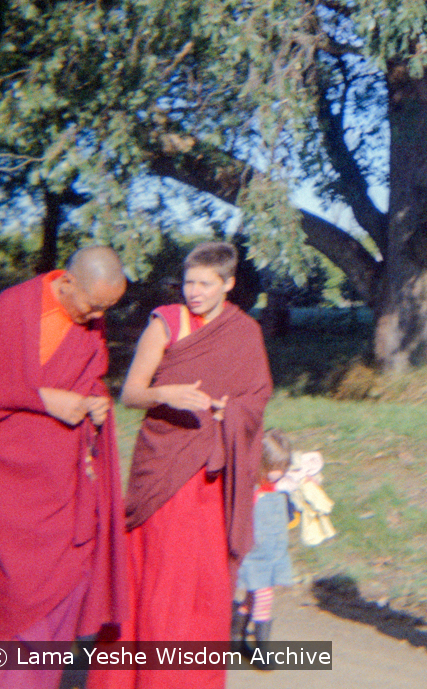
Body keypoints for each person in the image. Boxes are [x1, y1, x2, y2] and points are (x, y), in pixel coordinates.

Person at [99, 242, 272, 689]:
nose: (193, 292)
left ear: (228, 284)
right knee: (162, 572)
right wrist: (164, 394)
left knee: (203, 580)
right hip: (165, 468)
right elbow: (130, 393)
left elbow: (257, 400)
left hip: (212, 474)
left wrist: (230, 412)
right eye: (188, 282)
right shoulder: (166, 322)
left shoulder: (244, 332)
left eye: (204, 284)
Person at [0, 247, 129, 689]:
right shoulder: (14, 308)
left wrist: (95, 403)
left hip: (64, 480)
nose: (97, 317)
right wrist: (44, 400)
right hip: (12, 482)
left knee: (66, 578)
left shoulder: (89, 320)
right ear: (66, 282)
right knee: (16, 591)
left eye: (106, 308)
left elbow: (90, 377)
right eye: (93, 305)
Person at [232, 429, 295, 659]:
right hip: (255, 554)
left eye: (283, 467)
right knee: (264, 596)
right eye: (274, 467)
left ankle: (235, 636)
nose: (279, 473)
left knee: (253, 596)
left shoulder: (280, 488)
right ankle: (261, 649)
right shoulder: (253, 490)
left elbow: (288, 516)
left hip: (274, 552)